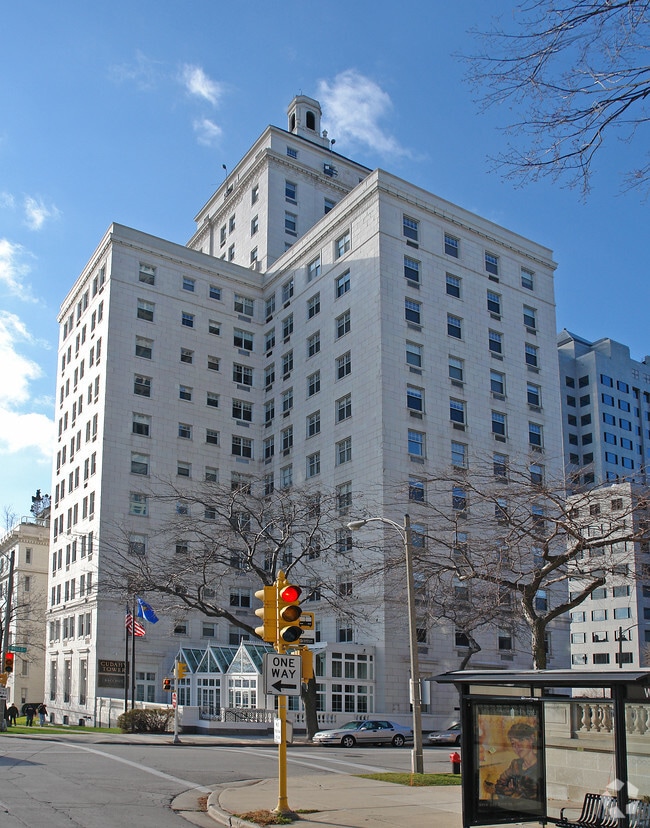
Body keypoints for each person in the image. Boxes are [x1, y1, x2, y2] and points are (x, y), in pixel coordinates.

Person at [492, 722, 541, 809]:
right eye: (513, 744)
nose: (517, 746)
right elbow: (499, 786)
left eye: (521, 740)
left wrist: (514, 792)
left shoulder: (540, 765)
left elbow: (534, 796)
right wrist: (513, 792)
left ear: (531, 739)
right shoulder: (515, 764)